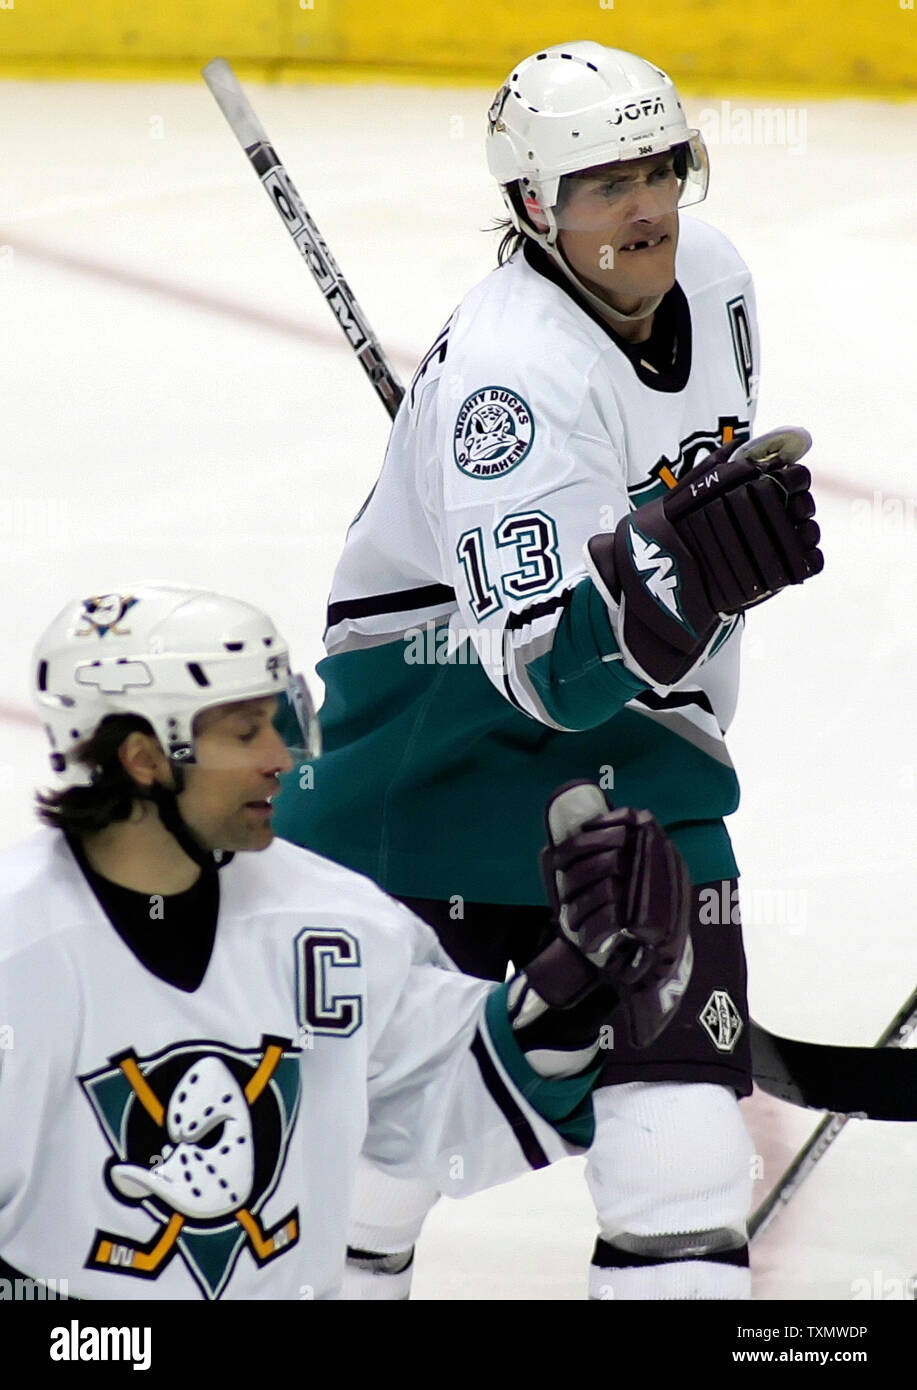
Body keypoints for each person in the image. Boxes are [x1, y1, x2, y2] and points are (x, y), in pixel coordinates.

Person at [273, 40, 824, 1300]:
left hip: (651, 772)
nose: (642, 208)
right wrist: (682, 575)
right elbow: (545, 678)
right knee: (367, 1183)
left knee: (682, 1169)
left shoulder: (719, 278)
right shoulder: (505, 380)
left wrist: (677, 554)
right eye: (599, 184)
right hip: (432, 772)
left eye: (658, 169)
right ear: (533, 206)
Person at [0, 582, 691, 1300]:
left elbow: (450, 1113)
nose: (281, 757)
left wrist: (575, 983)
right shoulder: (19, 953)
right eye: (245, 732)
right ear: (144, 758)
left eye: (280, 720)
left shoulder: (334, 924)